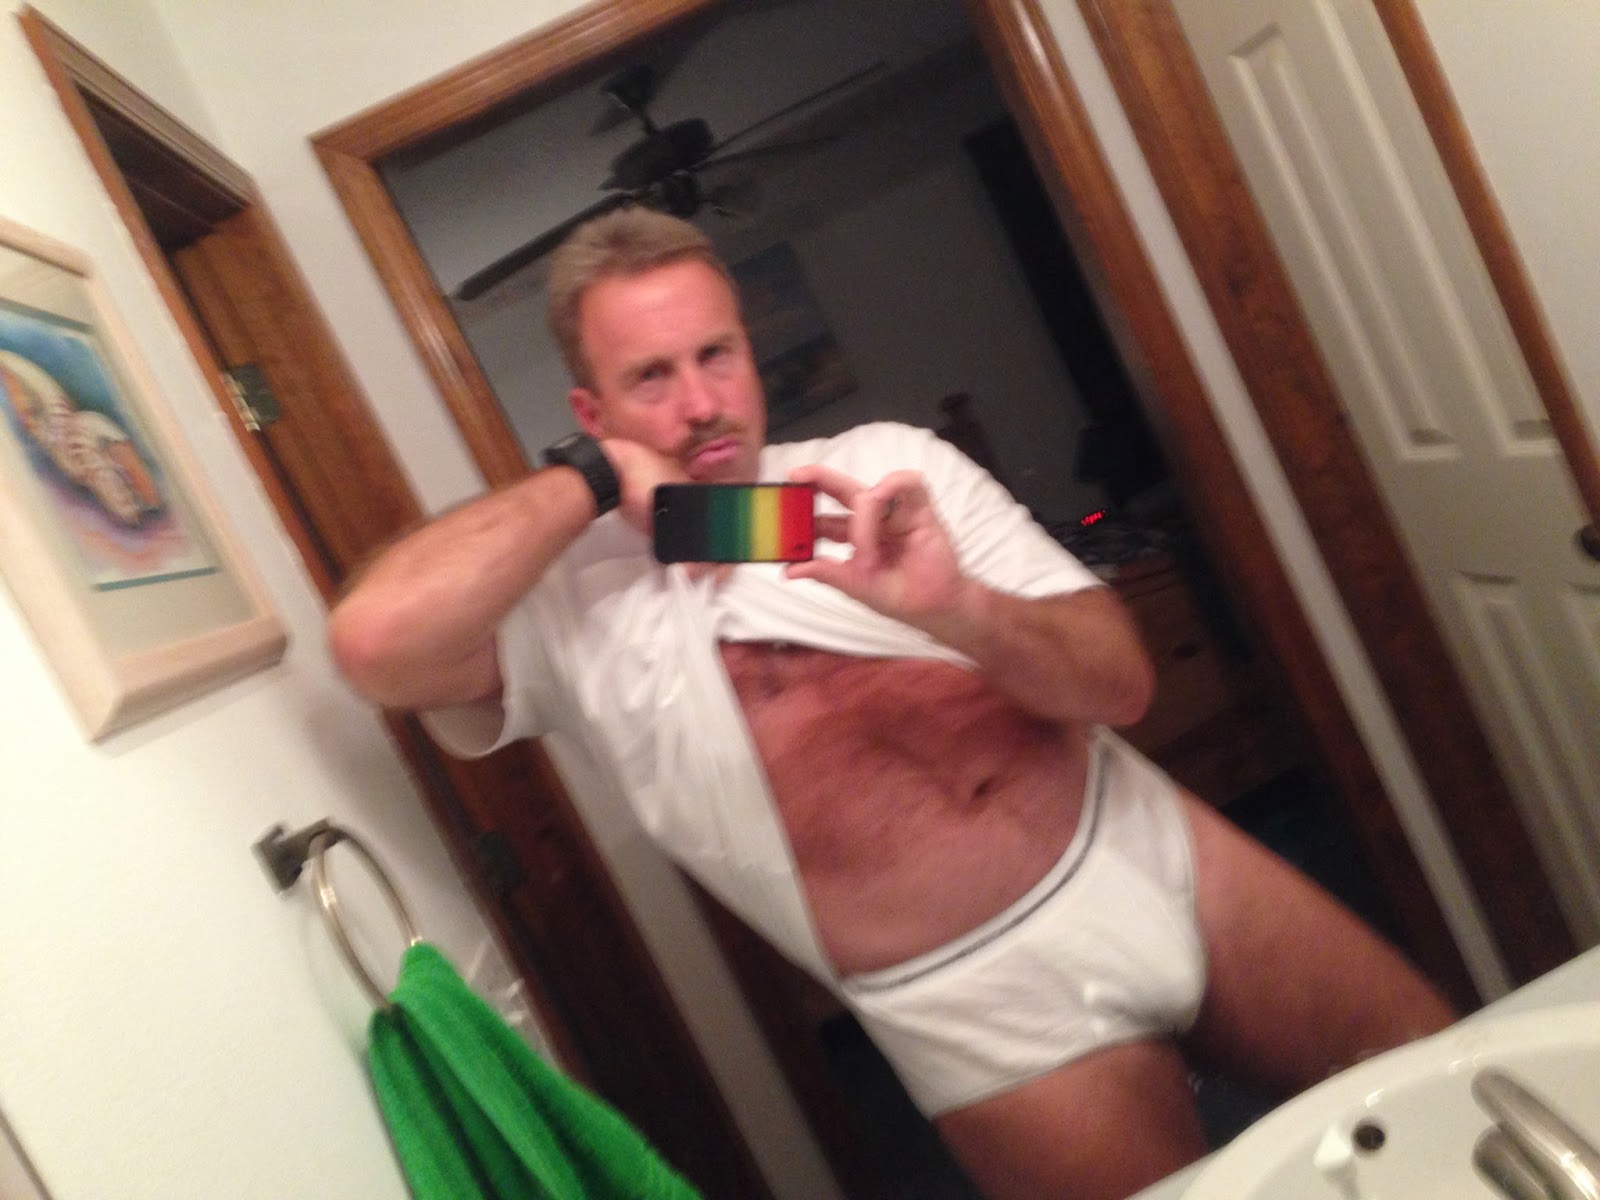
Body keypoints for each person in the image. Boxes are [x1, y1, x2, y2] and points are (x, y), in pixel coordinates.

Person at [329, 208, 1455, 1200]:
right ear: (593, 407)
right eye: (651, 377)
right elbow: (373, 641)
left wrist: (956, 608)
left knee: (1453, 1102)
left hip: (1154, 856)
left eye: (716, 353)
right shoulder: (563, 601)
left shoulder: (882, 469)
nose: (703, 404)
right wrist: (587, 480)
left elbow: (1120, 684)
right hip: (971, 1007)